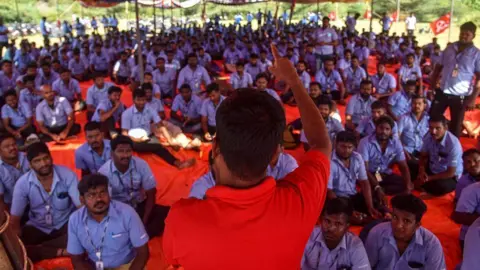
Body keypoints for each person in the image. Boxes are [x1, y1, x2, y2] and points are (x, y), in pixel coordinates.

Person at [163, 44, 331, 268]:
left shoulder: (181, 219)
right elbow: (321, 144)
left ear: (215, 149)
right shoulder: (298, 202)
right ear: (275, 155)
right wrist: (294, 81)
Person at [10, 142, 81, 262]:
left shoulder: (67, 175)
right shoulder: (22, 184)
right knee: (16, 249)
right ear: (30, 165)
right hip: (38, 227)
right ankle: (61, 250)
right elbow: (15, 219)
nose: (43, 164)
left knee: (83, 235)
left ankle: (43, 249)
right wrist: (16, 240)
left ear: (51, 157)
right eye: (37, 161)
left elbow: (81, 206)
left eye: (46, 158)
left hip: (65, 225)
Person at [68, 174, 150, 270]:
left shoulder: (127, 213)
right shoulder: (75, 220)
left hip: (127, 265)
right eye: (91, 195)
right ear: (82, 200)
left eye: (103, 193)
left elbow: (143, 252)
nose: (99, 199)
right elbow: (77, 259)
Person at [98, 136, 170, 237]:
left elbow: (151, 193)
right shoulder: (104, 173)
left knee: (167, 213)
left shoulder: (141, 165)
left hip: (139, 205)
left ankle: (137, 234)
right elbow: (105, 204)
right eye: (120, 151)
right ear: (112, 154)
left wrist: (144, 221)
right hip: (119, 210)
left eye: (128, 151)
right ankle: (137, 236)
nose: (125, 155)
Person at [365, 194, 446, 269]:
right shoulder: (376, 234)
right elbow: (366, 267)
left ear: (417, 225)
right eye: (395, 217)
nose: (398, 225)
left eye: (406, 221)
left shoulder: (431, 245)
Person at [122, 88, 195, 169]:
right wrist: (136, 139)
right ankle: (168, 151)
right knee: (157, 146)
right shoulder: (127, 113)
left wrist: (170, 141)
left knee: (160, 148)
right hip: (134, 140)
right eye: (138, 100)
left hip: (148, 136)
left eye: (143, 100)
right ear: (133, 99)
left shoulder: (149, 109)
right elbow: (124, 133)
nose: (141, 102)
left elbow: (161, 125)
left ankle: (178, 163)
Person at [430, 22, 480, 137]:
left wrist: (473, 98)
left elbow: (479, 78)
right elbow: (438, 68)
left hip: (461, 96)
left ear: (473, 36)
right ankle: (432, 147)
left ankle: (451, 152)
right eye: (462, 33)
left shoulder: (477, 54)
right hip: (442, 91)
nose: (463, 36)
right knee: (433, 119)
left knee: (456, 126)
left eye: (467, 34)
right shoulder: (449, 48)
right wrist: (432, 87)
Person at [301, 198, 371, 270]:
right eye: (327, 221)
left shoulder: (355, 245)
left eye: (338, 224)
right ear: (321, 220)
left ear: (347, 227)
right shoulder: (308, 237)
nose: (331, 228)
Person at [326, 131, 381, 220]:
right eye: (343, 146)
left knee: (376, 206)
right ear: (335, 144)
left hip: (353, 195)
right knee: (343, 214)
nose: (346, 150)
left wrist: (370, 206)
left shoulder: (357, 157)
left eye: (349, 147)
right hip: (337, 198)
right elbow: (329, 191)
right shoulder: (329, 161)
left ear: (354, 147)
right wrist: (347, 211)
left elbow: (364, 182)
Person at [358, 116, 412, 196]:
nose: (383, 131)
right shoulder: (365, 142)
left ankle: (381, 190)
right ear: (376, 128)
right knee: (365, 183)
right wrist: (377, 186)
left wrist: (408, 187)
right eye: (381, 128)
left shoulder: (396, 142)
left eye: (387, 129)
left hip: (383, 174)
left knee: (405, 183)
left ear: (391, 131)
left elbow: (403, 166)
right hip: (369, 174)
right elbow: (364, 169)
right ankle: (376, 189)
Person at [415, 115, 463, 196]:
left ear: (445, 128)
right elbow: (423, 156)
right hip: (432, 168)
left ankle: (425, 185)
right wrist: (421, 170)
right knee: (409, 164)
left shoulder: (453, 144)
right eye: (430, 128)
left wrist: (429, 178)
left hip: (448, 175)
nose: (433, 131)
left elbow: (450, 172)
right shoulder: (428, 136)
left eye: (438, 128)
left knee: (442, 187)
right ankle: (425, 184)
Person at [397, 95, 430, 175]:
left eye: (419, 103)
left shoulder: (429, 118)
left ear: (424, 105)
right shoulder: (403, 118)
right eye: (414, 103)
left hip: (425, 151)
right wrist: (403, 151)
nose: (416, 106)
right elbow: (396, 137)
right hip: (408, 151)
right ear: (411, 105)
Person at [0, 134, 30, 210]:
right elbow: (0, 198)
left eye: (14, 144)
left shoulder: (28, 157)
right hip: (12, 207)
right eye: (7, 146)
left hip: (36, 202)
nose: (12, 148)